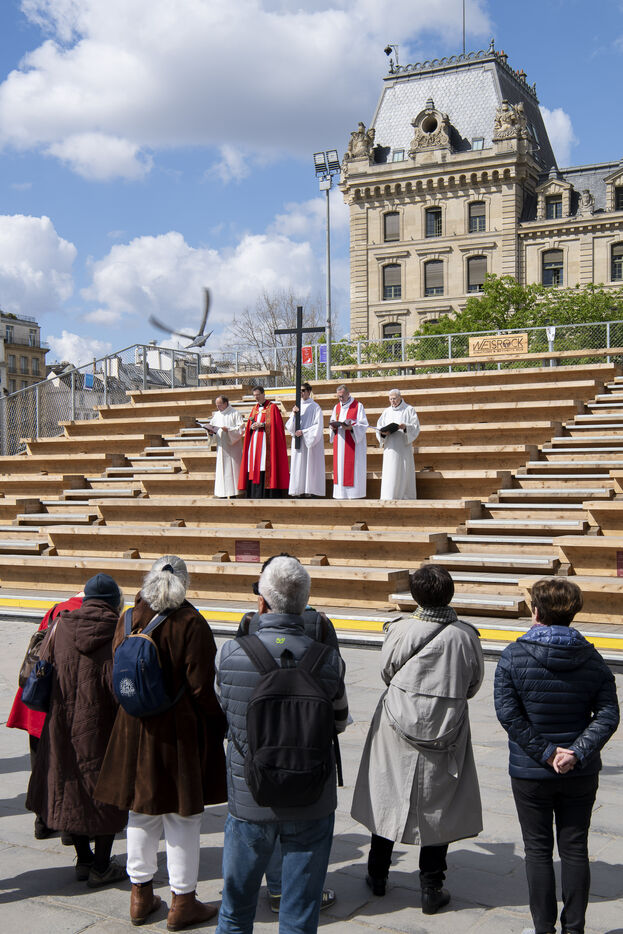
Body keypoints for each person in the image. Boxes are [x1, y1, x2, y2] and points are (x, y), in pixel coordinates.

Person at [216, 555, 348, 934]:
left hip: (250, 798)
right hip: (312, 798)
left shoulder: (230, 654)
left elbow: (225, 715)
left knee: (235, 912)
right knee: (300, 916)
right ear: (305, 603)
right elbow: (338, 721)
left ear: (261, 602)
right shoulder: (329, 660)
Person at [95, 556, 227, 930]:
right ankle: (182, 901)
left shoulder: (127, 618)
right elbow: (201, 688)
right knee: (182, 817)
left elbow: (115, 674)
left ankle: (140, 896)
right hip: (177, 734)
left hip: (132, 728)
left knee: (140, 812)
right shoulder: (191, 622)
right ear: (184, 583)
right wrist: (218, 724)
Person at [351, 564, 484, 914]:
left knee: (388, 793)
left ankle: (378, 875)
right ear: (450, 593)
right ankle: (431, 886)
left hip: (396, 723)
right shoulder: (465, 636)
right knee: (439, 802)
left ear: (415, 595)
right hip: (446, 727)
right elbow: (473, 685)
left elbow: (386, 672)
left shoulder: (400, 629)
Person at [494, 578, 620, 934]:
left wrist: (547, 753)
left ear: (536, 611)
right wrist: (576, 752)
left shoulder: (513, 655)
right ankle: (574, 929)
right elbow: (608, 714)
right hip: (579, 772)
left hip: (530, 771)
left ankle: (543, 929)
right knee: (575, 849)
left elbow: (509, 715)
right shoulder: (593, 658)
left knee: (537, 851)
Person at [25, 574, 128, 886]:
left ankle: (84, 859)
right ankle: (101, 865)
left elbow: (41, 667)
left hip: (62, 723)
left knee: (69, 787)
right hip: (105, 725)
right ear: (113, 602)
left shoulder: (60, 625)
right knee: (108, 791)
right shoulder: (120, 630)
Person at [8, 592, 84, 841]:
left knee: (40, 766)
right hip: (64, 703)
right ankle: (71, 830)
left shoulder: (55, 609)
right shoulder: (92, 615)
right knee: (70, 770)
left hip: (37, 700)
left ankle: (42, 822)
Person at [238, 385, 289, 498]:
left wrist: (262, 425)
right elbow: (249, 425)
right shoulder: (254, 409)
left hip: (266, 442)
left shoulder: (272, 407)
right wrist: (251, 427)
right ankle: (254, 494)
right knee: (254, 465)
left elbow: (277, 425)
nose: (256, 397)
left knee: (265, 464)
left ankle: (268, 493)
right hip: (255, 441)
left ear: (263, 394)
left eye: (258, 395)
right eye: (254, 395)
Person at [376, 388, 420, 500]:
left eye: (394, 399)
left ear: (400, 397)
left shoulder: (409, 409)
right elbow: (379, 427)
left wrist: (405, 427)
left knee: (403, 472)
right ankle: (389, 496)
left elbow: (415, 427)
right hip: (390, 447)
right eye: (390, 399)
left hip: (403, 447)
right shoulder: (386, 412)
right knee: (390, 472)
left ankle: (405, 497)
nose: (392, 401)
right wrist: (383, 433)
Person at [285, 382, 326, 497]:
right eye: (299, 391)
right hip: (298, 441)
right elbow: (289, 426)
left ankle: (309, 490)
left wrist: (304, 432)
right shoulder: (297, 407)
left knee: (308, 465)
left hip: (309, 441)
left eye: (303, 390)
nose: (301, 393)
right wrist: (294, 414)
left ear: (309, 391)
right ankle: (298, 490)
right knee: (298, 465)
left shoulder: (315, 407)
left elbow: (318, 426)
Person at [329, 384, 368, 499]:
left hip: (352, 444)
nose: (340, 398)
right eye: (338, 396)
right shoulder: (336, 407)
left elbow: (363, 425)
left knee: (352, 470)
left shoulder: (358, 406)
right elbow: (332, 421)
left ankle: (354, 495)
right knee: (340, 468)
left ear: (348, 394)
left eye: (342, 396)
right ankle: (340, 495)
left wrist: (351, 428)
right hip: (340, 442)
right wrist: (333, 427)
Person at [209, 394, 245, 498]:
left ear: (225, 403)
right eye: (216, 405)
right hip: (221, 447)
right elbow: (212, 427)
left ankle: (234, 493)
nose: (218, 407)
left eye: (220, 405)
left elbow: (241, 429)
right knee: (222, 470)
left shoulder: (234, 413)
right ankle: (222, 493)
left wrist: (228, 430)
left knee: (233, 469)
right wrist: (210, 432)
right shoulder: (216, 415)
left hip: (232, 447)